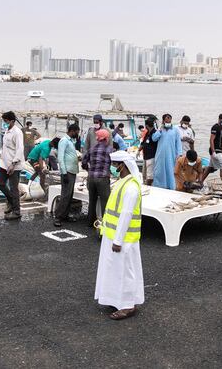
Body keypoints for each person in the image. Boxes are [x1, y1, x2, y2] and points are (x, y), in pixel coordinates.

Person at [94, 151, 144, 320]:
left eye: (115, 165)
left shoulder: (131, 187)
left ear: (123, 165)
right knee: (113, 270)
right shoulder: (123, 183)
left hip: (124, 239)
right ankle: (116, 299)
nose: (113, 168)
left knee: (126, 271)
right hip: (112, 235)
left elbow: (126, 214)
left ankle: (128, 305)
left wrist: (117, 240)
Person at [82, 129, 112, 228]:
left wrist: (90, 170)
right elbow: (113, 165)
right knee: (105, 202)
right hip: (102, 179)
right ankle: (105, 225)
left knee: (92, 200)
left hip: (91, 178)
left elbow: (84, 163)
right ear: (106, 138)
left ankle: (90, 222)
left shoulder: (92, 149)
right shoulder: (109, 150)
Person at [0, 112, 24, 220]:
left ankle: (16, 211)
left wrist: (13, 164)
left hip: (14, 165)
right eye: (4, 121)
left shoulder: (17, 132)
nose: (5, 123)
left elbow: (20, 149)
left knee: (14, 188)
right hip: (4, 163)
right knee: (0, 183)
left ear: (12, 121)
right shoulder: (7, 131)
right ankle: (11, 202)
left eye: (6, 121)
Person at [56, 124, 81, 227]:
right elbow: (60, 157)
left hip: (72, 171)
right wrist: (64, 173)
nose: (78, 134)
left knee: (69, 195)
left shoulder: (70, 141)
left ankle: (64, 215)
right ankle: (58, 217)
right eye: (77, 132)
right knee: (65, 195)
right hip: (67, 172)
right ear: (73, 131)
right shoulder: (64, 141)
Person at [152, 114, 182, 190]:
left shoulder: (175, 130)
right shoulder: (160, 129)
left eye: (169, 120)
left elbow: (178, 142)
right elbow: (154, 139)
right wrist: (159, 130)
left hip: (171, 154)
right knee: (159, 170)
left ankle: (171, 186)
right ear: (163, 121)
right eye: (166, 120)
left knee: (171, 170)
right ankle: (159, 186)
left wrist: (179, 154)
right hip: (160, 154)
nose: (168, 122)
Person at [201, 114, 222, 182]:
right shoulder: (215, 127)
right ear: (219, 119)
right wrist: (213, 152)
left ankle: (200, 181)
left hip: (219, 150)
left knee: (210, 168)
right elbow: (211, 140)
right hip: (215, 150)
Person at [137, 117, 158, 185]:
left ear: (146, 125)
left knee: (150, 176)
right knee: (144, 174)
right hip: (145, 157)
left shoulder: (155, 133)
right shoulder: (147, 133)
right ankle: (145, 184)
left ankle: (149, 187)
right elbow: (143, 143)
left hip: (151, 157)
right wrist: (138, 151)